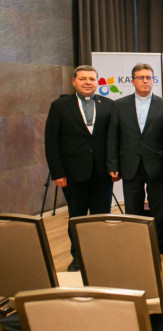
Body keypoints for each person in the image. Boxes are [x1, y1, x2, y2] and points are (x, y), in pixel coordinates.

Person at [44, 65, 117, 271]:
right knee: (76, 217)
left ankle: (100, 256)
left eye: (92, 79)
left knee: (101, 218)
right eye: (83, 79)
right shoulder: (60, 106)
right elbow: (51, 142)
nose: (87, 83)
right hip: (73, 173)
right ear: (74, 82)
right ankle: (77, 257)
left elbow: (113, 140)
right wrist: (58, 173)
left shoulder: (109, 105)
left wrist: (114, 166)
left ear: (97, 82)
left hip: (102, 173)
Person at [110, 63, 163, 253]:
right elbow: (113, 137)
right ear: (132, 81)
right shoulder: (119, 105)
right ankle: (136, 246)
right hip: (130, 165)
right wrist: (113, 165)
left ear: (153, 81)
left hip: (157, 165)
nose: (145, 81)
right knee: (132, 209)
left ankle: (159, 247)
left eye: (148, 77)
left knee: (159, 210)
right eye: (140, 77)